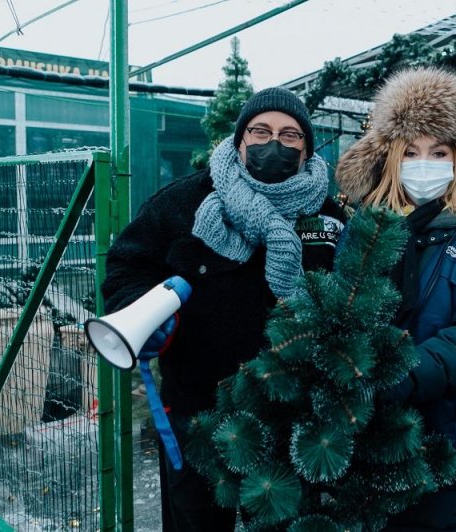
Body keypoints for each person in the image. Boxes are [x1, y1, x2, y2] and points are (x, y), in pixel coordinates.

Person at [101, 87, 346, 531]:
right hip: (196, 414)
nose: (275, 143)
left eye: (291, 135)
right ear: (239, 140)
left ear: (307, 148)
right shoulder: (182, 202)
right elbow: (126, 266)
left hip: (287, 419)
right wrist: (147, 316)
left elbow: (348, 295)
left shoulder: (328, 217)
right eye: (261, 131)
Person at [336, 67, 456, 532]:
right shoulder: (366, 232)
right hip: (362, 445)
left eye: (438, 152)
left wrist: (393, 379)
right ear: (391, 159)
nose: (424, 163)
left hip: (447, 452)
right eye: (411, 152)